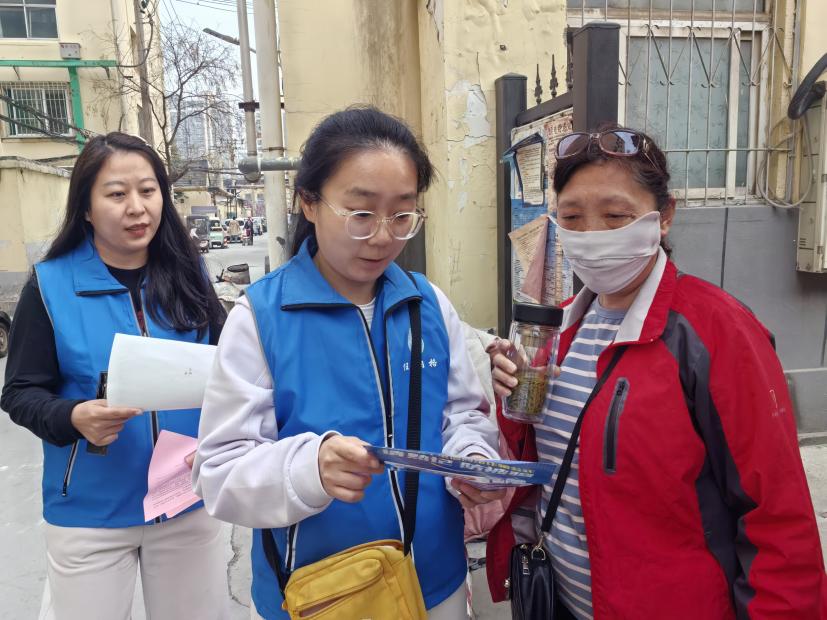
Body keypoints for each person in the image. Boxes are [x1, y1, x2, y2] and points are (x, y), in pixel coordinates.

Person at [485, 127, 827, 619]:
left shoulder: (718, 331)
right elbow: (554, 463)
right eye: (572, 217)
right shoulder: (560, 328)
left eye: (615, 216)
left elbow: (776, 515)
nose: (592, 234)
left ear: (664, 216)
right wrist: (514, 397)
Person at [192, 106, 504, 620]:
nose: (383, 236)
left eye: (401, 215)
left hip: (435, 582)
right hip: (318, 595)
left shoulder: (427, 305)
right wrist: (308, 469)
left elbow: (462, 414)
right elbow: (219, 474)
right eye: (361, 213)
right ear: (309, 201)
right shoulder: (261, 318)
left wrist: (470, 456)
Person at [1, 132, 230, 619]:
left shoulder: (191, 275)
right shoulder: (50, 286)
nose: (137, 208)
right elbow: (20, 391)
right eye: (116, 194)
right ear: (86, 207)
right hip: (90, 515)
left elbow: (232, 371)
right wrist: (72, 416)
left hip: (186, 500)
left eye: (148, 190)